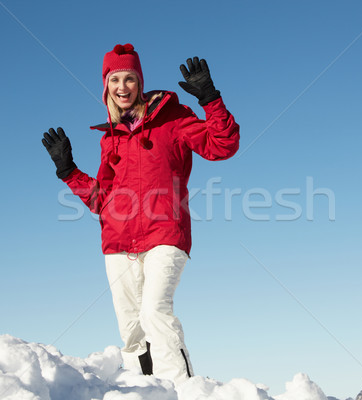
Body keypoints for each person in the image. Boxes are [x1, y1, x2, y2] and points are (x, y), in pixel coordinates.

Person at [42, 43, 239, 386]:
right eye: (114, 79)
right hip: (118, 243)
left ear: (140, 82)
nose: (122, 87)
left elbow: (222, 145)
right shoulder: (111, 138)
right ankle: (147, 390)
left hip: (165, 234)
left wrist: (209, 98)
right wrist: (68, 170)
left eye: (129, 78)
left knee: (154, 313)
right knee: (132, 328)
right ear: (106, 87)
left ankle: (182, 389)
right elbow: (102, 199)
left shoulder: (173, 119)